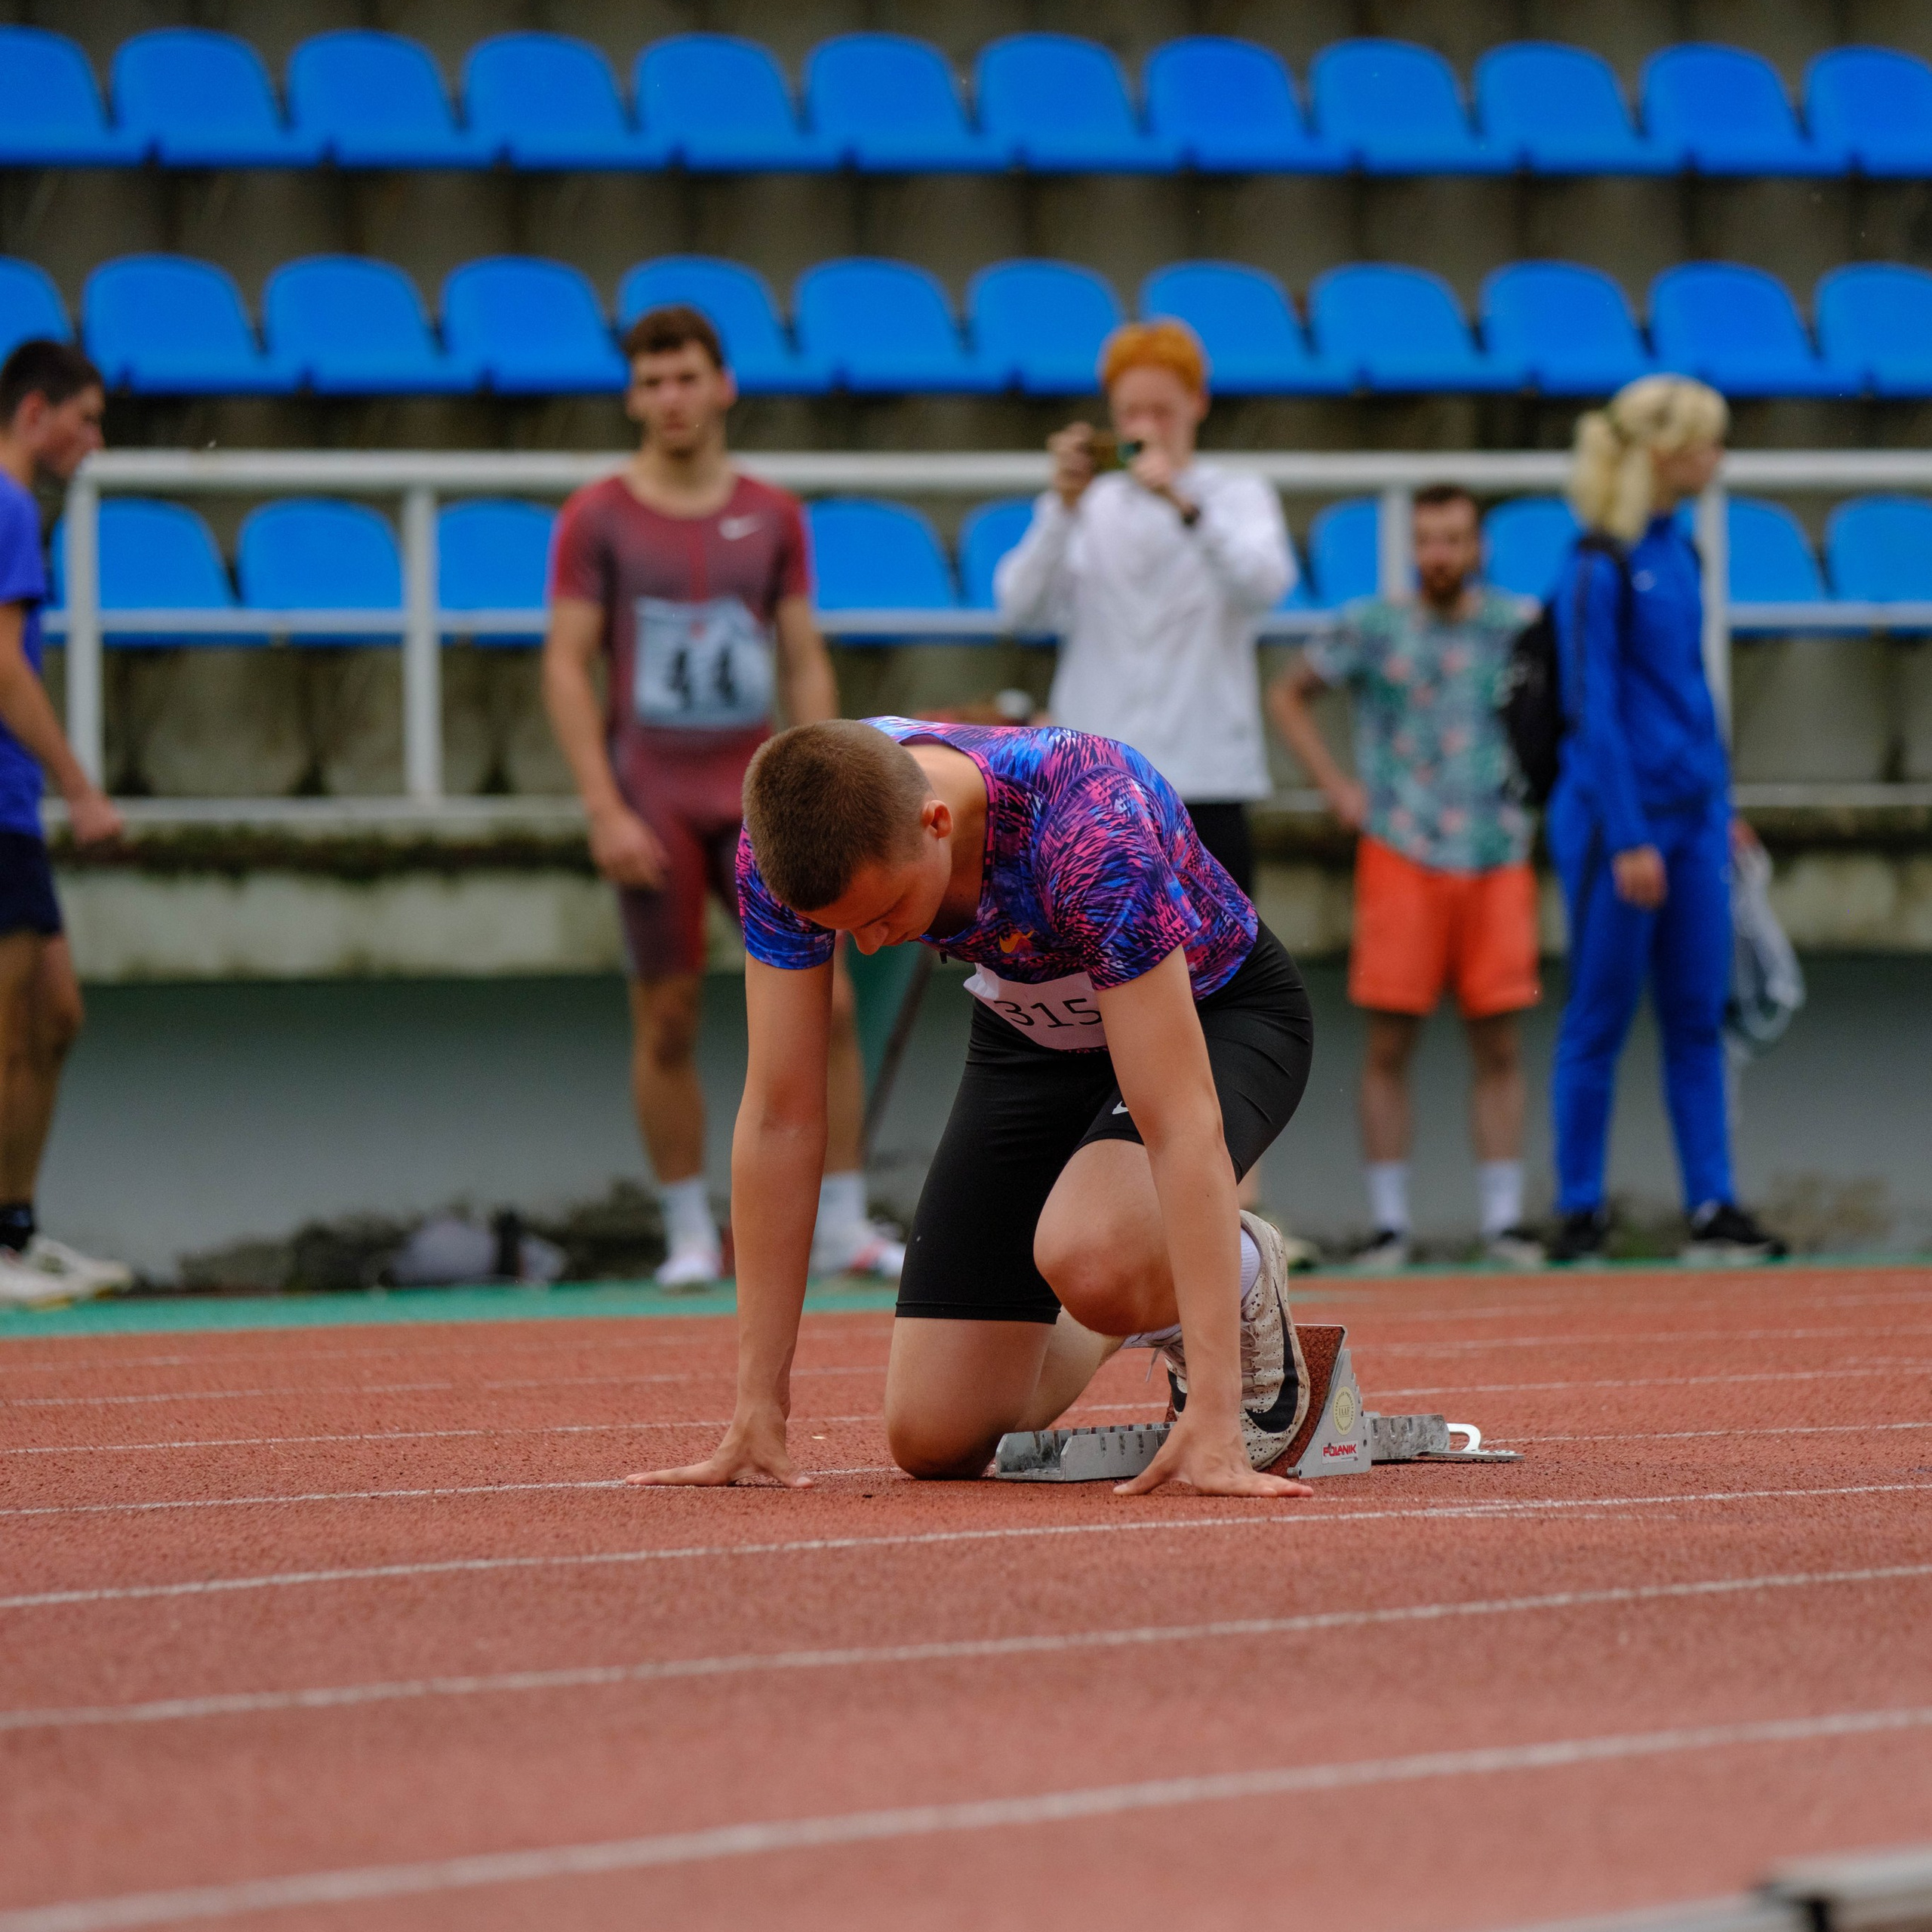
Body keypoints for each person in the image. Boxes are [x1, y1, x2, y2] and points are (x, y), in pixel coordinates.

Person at [631, 717, 1317, 1497]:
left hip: (1212, 1015)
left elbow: (1179, 1116)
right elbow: (781, 1116)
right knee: (935, 1436)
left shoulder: (1088, 823)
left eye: (883, 912)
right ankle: (1130, 1279)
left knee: (1093, 1253)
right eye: (841, 930)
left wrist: (1218, 1419)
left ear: (936, 823)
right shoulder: (786, 839)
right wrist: (758, 1410)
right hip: (1032, 1031)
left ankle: (1233, 1270)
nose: (871, 944)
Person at [544, 305, 896, 1289]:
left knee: (824, 1008)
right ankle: (690, 1230)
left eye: (687, 377)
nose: (671, 399)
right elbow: (567, 666)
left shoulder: (775, 514)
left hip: (755, 793)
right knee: (667, 1018)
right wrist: (602, 807)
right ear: (631, 396)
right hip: (654, 795)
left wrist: (830, 776)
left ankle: (843, 1223)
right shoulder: (597, 516)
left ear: (724, 385)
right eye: (652, 381)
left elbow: (802, 654)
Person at [1270, 485, 1545, 1269]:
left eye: (1453, 539)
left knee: (1497, 1041)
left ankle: (1501, 1222)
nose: (1439, 555)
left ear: (1477, 547)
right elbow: (1288, 693)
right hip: (1401, 846)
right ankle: (1390, 1225)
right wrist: (1335, 787)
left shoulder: (1518, 625)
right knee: (1390, 1039)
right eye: (1426, 539)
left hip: (1495, 849)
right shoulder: (1372, 625)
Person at [1546, 375, 1784, 1264]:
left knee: (1697, 1013)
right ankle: (1578, 1209)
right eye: (1703, 441)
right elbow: (1592, 705)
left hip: (1691, 820)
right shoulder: (1594, 561)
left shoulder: (1683, 552)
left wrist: (1720, 807)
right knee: (1598, 1014)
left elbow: (1690, 692)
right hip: (1620, 826)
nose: (1714, 457)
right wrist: (1630, 831)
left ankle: (1712, 1202)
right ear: (1661, 453)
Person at [994, 319, 1294, 897]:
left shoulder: (1237, 495)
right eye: (1131, 413)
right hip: (1093, 777)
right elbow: (1019, 610)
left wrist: (1185, 506)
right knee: (1090, 964)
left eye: (1162, 412)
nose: (1146, 429)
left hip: (1206, 777)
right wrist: (1061, 510)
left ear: (1198, 404)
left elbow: (1265, 586)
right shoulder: (1085, 505)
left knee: (1222, 973)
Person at [0, 340, 129, 1307]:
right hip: (6, 801)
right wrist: (80, 784)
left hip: (11, 803)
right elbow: (5, 665)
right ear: (35, 412)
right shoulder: (9, 504)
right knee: (9, 1021)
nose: (93, 440)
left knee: (53, 1015)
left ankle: (16, 1229)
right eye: (84, 419)